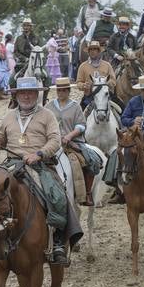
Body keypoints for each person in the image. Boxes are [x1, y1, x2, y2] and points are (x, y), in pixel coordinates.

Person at [0, 77, 82, 264]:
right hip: (12, 164)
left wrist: (39, 153)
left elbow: (55, 140)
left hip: (39, 165)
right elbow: (1, 133)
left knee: (57, 196)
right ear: (16, 95)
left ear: (37, 94)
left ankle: (57, 242)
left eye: (30, 92)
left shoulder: (47, 115)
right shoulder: (9, 116)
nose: (26, 96)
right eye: (22, 93)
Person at [48, 77, 101, 206]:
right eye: (59, 90)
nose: (61, 93)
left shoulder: (75, 106)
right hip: (52, 142)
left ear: (68, 91)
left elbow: (81, 125)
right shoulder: (48, 106)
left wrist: (69, 136)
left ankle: (87, 193)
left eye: (64, 90)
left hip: (72, 142)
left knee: (91, 160)